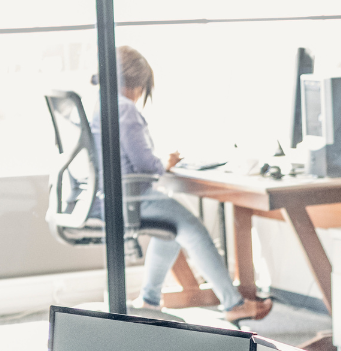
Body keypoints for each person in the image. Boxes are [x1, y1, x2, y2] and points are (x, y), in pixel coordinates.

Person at [96, 47, 271, 323]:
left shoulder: (98, 104)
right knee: (193, 228)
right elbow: (144, 165)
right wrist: (165, 162)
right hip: (131, 198)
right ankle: (233, 303)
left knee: (169, 230)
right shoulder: (124, 109)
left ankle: (150, 301)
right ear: (138, 83)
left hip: (104, 198)